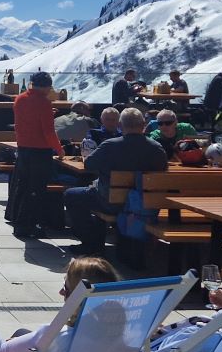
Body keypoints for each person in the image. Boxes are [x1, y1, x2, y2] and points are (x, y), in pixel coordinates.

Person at [63, 108, 168, 252]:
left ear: (120, 125)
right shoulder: (156, 148)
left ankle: (90, 242)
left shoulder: (110, 145)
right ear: (143, 124)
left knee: (71, 195)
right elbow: (164, 170)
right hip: (144, 204)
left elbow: (89, 164)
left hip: (110, 202)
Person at [7, 72, 64, 238]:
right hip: (40, 151)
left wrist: (47, 113)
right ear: (46, 87)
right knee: (36, 190)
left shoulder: (20, 99)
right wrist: (59, 149)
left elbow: (28, 119)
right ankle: (29, 226)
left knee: (23, 187)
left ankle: (20, 223)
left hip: (23, 149)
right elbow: (48, 132)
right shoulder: (44, 103)